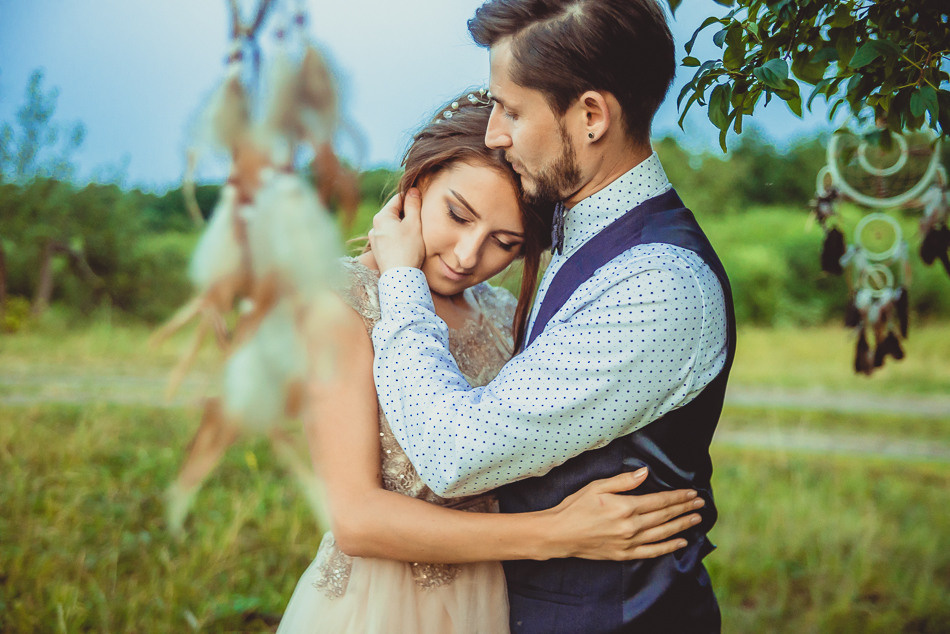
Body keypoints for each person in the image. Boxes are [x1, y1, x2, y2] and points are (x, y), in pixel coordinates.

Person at [368, 1, 737, 632]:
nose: (493, 134)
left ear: (591, 116)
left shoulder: (659, 284)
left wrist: (402, 280)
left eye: (512, 109)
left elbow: (455, 453)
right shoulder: (572, 223)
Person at [276, 91, 704, 634]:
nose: (465, 256)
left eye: (503, 243)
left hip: (489, 600)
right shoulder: (343, 304)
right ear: (416, 184)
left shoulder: (502, 314)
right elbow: (357, 519)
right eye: (457, 215)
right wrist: (557, 532)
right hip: (380, 607)